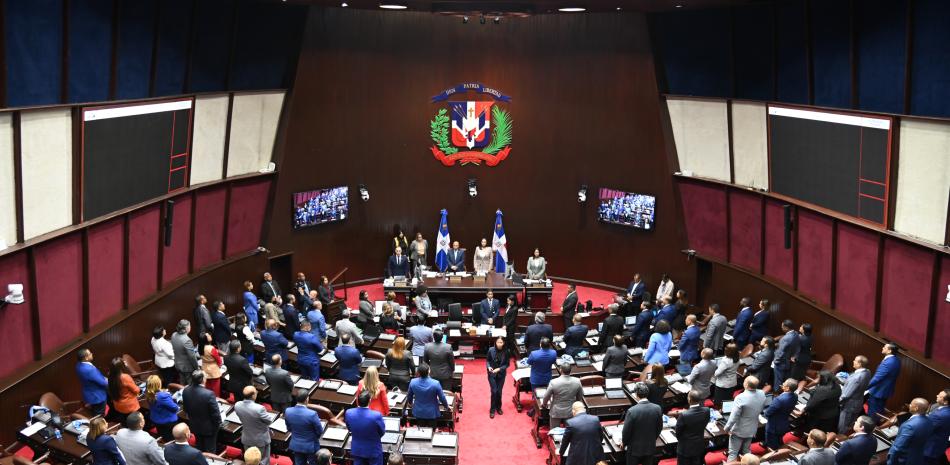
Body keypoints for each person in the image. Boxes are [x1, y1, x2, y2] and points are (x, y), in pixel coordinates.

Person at [724, 376, 766, 462]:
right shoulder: (762, 393)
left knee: (733, 453)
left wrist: (727, 428)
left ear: (746, 384)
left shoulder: (740, 397)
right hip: (752, 428)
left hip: (739, 430)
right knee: (747, 451)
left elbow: (733, 417)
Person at [620, 382, 663, 465]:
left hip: (634, 450)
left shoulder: (632, 411)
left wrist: (624, 442)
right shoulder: (657, 408)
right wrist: (652, 439)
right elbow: (659, 428)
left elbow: (626, 431)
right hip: (650, 447)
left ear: (636, 394)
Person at [181, 370, 221, 453]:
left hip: (194, 425)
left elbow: (185, 409)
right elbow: (216, 415)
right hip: (209, 429)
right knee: (210, 451)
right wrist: (217, 425)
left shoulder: (186, 390)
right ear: (203, 380)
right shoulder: (209, 394)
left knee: (199, 447)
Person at [888, 398, 934, 465]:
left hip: (904, 460)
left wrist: (891, 462)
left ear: (916, 408)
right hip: (918, 456)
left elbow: (897, 448)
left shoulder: (909, 425)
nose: (909, 405)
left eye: (911, 404)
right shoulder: (929, 421)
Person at [235, 386, 274, 465]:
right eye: (256, 392)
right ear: (253, 395)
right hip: (260, 441)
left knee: (250, 462)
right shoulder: (259, 409)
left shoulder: (237, 405)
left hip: (247, 439)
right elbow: (269, 420)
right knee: (263, 462)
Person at [346, 391, 386, 465]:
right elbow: (382, 432)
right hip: (373, 450)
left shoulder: (349, 413)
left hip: (357, 450)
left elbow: (349, 428)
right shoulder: (376, 415)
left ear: (357, 400)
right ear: (370, 400)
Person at [285, 391, 324, 465]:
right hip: (311, 446)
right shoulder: (312, 414)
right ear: (307, 399)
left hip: (296, 444)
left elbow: (289, 428)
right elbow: (320, 431)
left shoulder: (288, 411)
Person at [675, 390, 711, 465]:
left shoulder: (684, 415)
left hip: (685, 448)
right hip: (698, 446)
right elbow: (705, 423)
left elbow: (678, 433)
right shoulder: (706, 410)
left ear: (689, 400)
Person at [407, 363, 449, 428]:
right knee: (432, 432)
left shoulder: (413, 382)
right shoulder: (435, 383)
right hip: (432, 412)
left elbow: (409, 396)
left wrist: (410, 403)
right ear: (429, 371)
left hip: (419, 411)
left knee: (421, 431)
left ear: (418, 372)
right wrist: (446, 406)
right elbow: (442, 397)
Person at [544, 362, 584, 428]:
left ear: (560, 370)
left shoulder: (553, 382)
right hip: (570, 410)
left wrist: (544, 404)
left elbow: (546, 396)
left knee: (554, 431)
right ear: (570, 370)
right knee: (569, 431)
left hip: (556, 411)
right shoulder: (577, 381)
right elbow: (579, 397)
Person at [868, 343, 901, 418]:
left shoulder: (889, 362)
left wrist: (864, 387)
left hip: (879, 391)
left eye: (885, 347)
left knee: (873, 413)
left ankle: (870, 427)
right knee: (878, 410)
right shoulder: (896, 360)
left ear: (889, 350)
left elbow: (877, 378)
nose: (882, 348)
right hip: (885, 390)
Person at [763, 379, 798, 449]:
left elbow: (767, 413)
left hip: (773, 427)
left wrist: (764, 412)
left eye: (784, 383)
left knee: (771, 446)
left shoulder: (779, 399)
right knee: (779, 441)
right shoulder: (795, 396)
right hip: (784, 424)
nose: (783, 383)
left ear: (788, 388)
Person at [76, 348, 109, 416]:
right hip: (97, 396)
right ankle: (99, 426)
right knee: (99, 415)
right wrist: (108, 380)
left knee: (96, 411)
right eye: (90, 353)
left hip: (90, 393)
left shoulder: (79, 365)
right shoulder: (89, 369)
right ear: (86, 358)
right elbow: (103, 383)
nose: (92, 354)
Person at [145, 375, 179, 441]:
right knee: (170, 439)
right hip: (167, 422)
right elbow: (174, 408)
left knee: (162, 435)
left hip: (155, 419)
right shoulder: (163, 396)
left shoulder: (147, 392)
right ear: (158, 384)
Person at [108, 357, 141, 423]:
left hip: (118, 404)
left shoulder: (110, 375)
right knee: (135, 423)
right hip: (129, 406)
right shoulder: (124, 377)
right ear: (121, 366)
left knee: (125, 421)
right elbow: (136, 390)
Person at [772, 319, 800, 389]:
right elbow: (798, 347)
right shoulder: (796, 334)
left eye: (782, 326)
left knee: (778, 381)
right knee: (785, 380)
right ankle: (783, 391)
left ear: (786, 327)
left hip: (781, 363)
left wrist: (776, 361)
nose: (781, 327)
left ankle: (776, 393)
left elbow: (780, 352)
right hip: (789, 362)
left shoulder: (785, 338)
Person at [172, 320, 200, 387]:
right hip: (187, 367)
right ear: (186, 328)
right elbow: (192, 356)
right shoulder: (187, 340)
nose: (190, 327)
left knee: (182, 383)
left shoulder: (174, 335)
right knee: (190, 385)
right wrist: (197, 368)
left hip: (178, 364)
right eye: (189, 326)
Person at [925, 389, 949, 465]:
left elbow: (926, 429)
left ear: (946, 402)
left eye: (939, 396)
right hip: (941, 444)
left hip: (929, 449)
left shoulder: (939, 415)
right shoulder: (945, 410)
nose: (937, 396)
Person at [486, 337, 509, 417]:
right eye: (498, 342)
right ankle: (492, 409)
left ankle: (498, 407)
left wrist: (499, 369)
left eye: (501, 342)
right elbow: (488, 361)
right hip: (492, 374)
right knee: (494, 391)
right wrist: (489, 367)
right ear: (495, 342)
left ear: (503, 343)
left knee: (499, 392)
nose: (499, 344)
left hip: (501, 374)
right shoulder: (491, 350)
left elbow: (507, 364)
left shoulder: (506, 352)